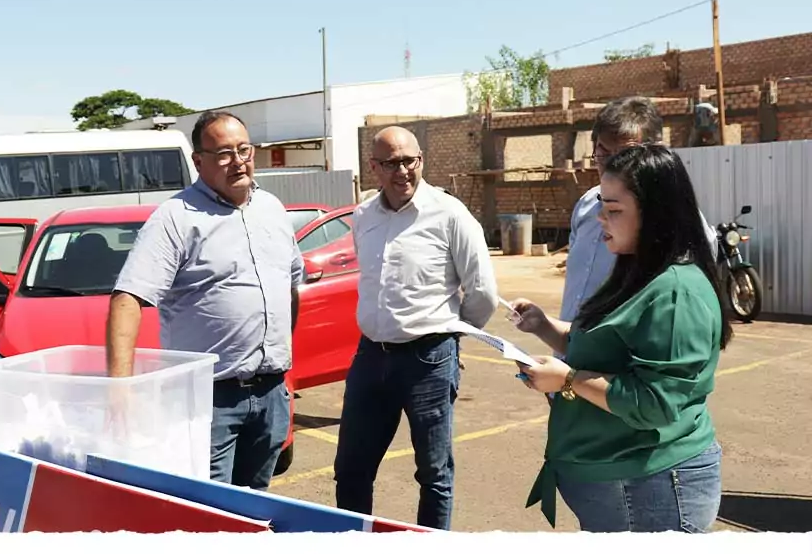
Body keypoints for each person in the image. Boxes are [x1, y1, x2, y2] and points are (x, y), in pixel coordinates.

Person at [511, 143, 732, 532]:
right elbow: (605, 346)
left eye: (614, 210)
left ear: (656, 217)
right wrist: (545, 326)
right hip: (623, 482)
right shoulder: (635, 273)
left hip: (653, 485)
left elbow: (655, 403)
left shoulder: (675, 293)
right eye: (602, 205)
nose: (600, 219)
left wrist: (566, 380)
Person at [106, 111, 304, 491]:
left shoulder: (273, 210)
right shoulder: (176, 218)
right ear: (199, 161)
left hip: (271, 395)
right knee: (207, 510)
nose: (238, 161)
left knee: (256, 505)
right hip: (208, 401)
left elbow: (290, 287)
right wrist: (120, 387)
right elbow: (128, 298)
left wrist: (281, 360)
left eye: (244, 149)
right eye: (224, 153)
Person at [333, 126, 498, 530]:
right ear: (374, 167)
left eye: (410, 161)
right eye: (391, 163)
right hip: (371, 357)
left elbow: (482, 293)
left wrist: (450, 339)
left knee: (434, 475)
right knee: (351, 470)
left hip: (428, 360)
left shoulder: (450, 214)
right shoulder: (363, 216)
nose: (403, 171)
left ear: (421, 160)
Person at [562, 96, 718, 328]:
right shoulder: (585, 206)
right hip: (568, 353)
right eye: (603, 153)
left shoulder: (677, 223)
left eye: (625, 154)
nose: (612, 164)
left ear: (653, 154)